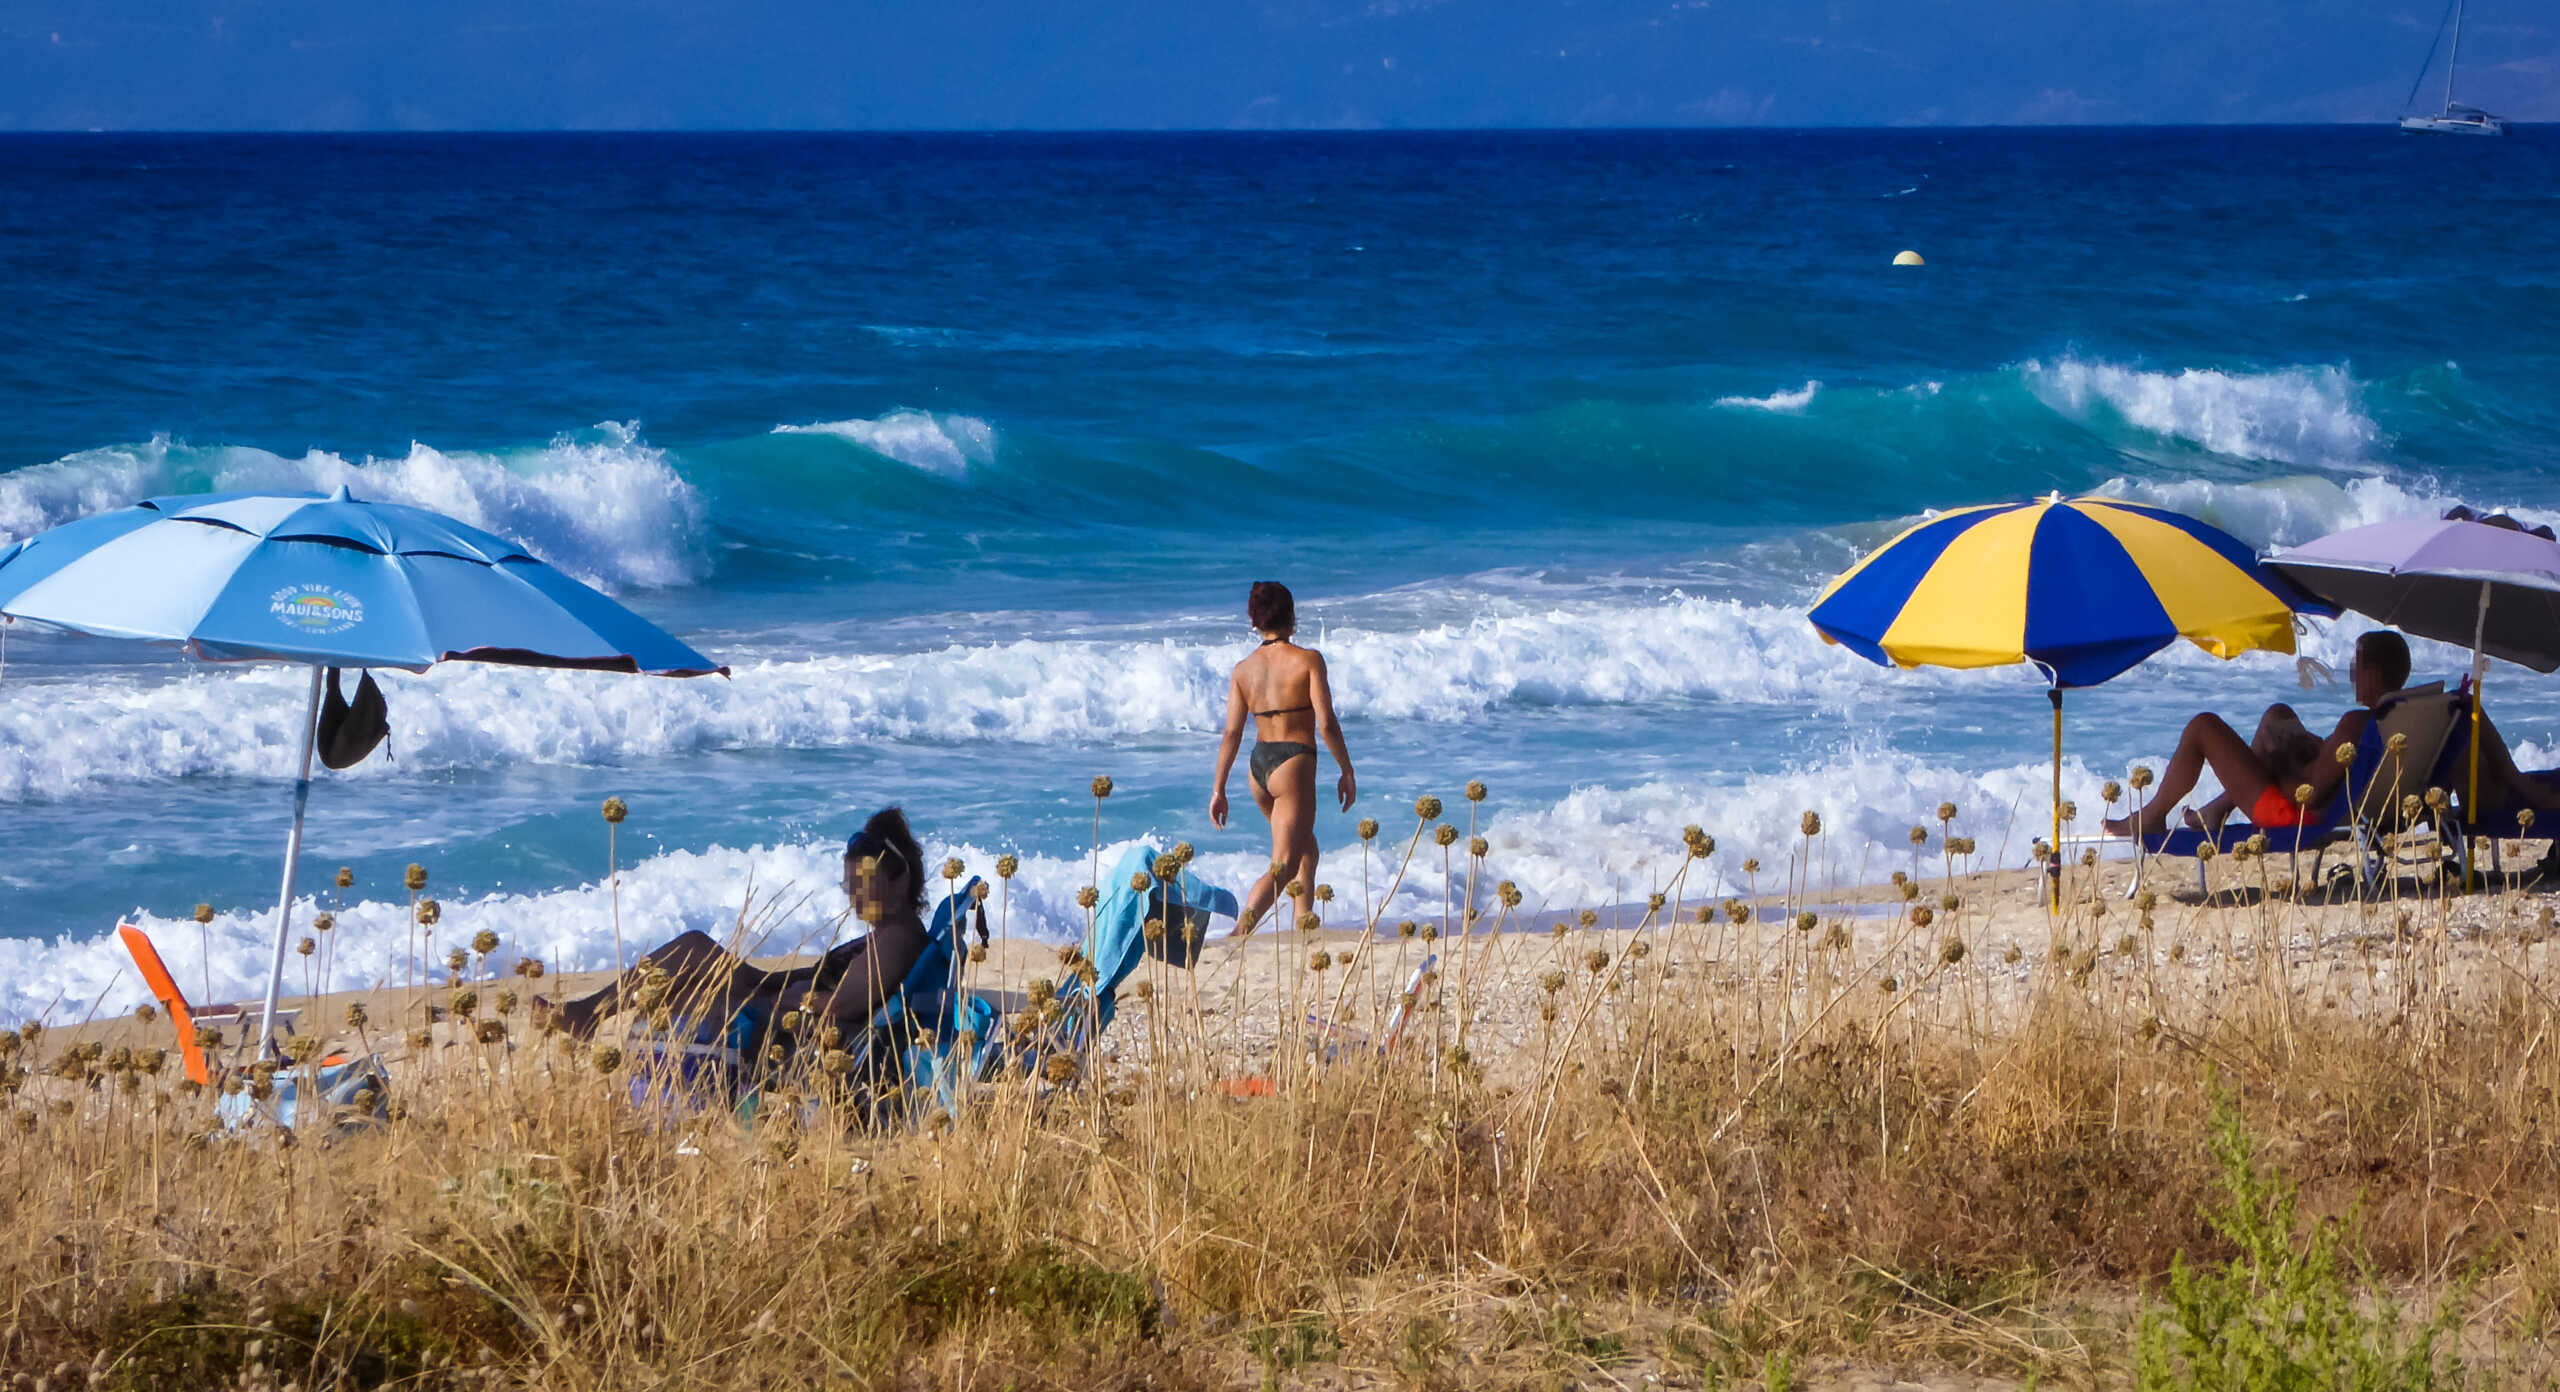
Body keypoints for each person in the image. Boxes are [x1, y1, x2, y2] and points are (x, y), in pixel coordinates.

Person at [2102, 629, 2556, 838]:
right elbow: (2340, 769)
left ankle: (2154, 814)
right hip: (2360, 798)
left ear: (2372, 674)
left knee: (2204, 726)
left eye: (2357, 665)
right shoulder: (2405, 716)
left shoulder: (2358, 723)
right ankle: (2217, 809)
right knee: (2278, 713)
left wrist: (2281, 759)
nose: (2351, 672)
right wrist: (2305, 747)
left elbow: (2310, 794)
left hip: (2292, 815)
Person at [538, 807, 932, 1040]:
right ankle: (589, 1014)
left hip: (788, 1023)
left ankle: (594, 1022)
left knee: (680, 995)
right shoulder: (888, 932)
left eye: (865, 887)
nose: (855, 897)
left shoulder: (896, 939)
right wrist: (773, 982)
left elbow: (840, 1008)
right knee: (692, 949)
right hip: (780, 998)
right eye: (851, 886)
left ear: (901, 879)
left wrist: (771, 997)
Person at [1210, 581, 1355, 934]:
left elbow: (1232, 732)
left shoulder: (1243, 670)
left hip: (1258, 765)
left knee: (1306, 848)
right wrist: (1346, 769)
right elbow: (1326, 723)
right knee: (1285, 864)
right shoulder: (1308, 660)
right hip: (1293, 763)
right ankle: (1239, 934)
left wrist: (1219, 788)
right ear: (1291, 616)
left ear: (1255, 621)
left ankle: (1303, 927)